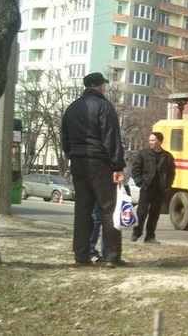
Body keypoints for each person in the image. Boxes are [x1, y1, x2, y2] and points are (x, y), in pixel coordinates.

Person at [62, 72, 127, 268]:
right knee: (109, 208)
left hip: (78, 161)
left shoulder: (72, 108)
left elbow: (65, 139)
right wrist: (117, 165)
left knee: (82, 210)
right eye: (104, 85)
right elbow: (111, 138)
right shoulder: (104, 106)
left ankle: (81, 255)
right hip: (99, 162)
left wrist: (73, 155)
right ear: (101, 86)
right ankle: (112, 256)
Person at [131, 132, 176, 244]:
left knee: (154, 214)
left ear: (159, 142)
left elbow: (171, 172)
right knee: (141, 212)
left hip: (160, 189)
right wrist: (139, 182)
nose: (150, 142)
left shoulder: (167, 156)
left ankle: (150, 236)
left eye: (153, 140)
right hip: (146, 187)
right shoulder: (143, 154)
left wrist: (168, 185)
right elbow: (136, 168)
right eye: (150, 140)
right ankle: (136, 233)